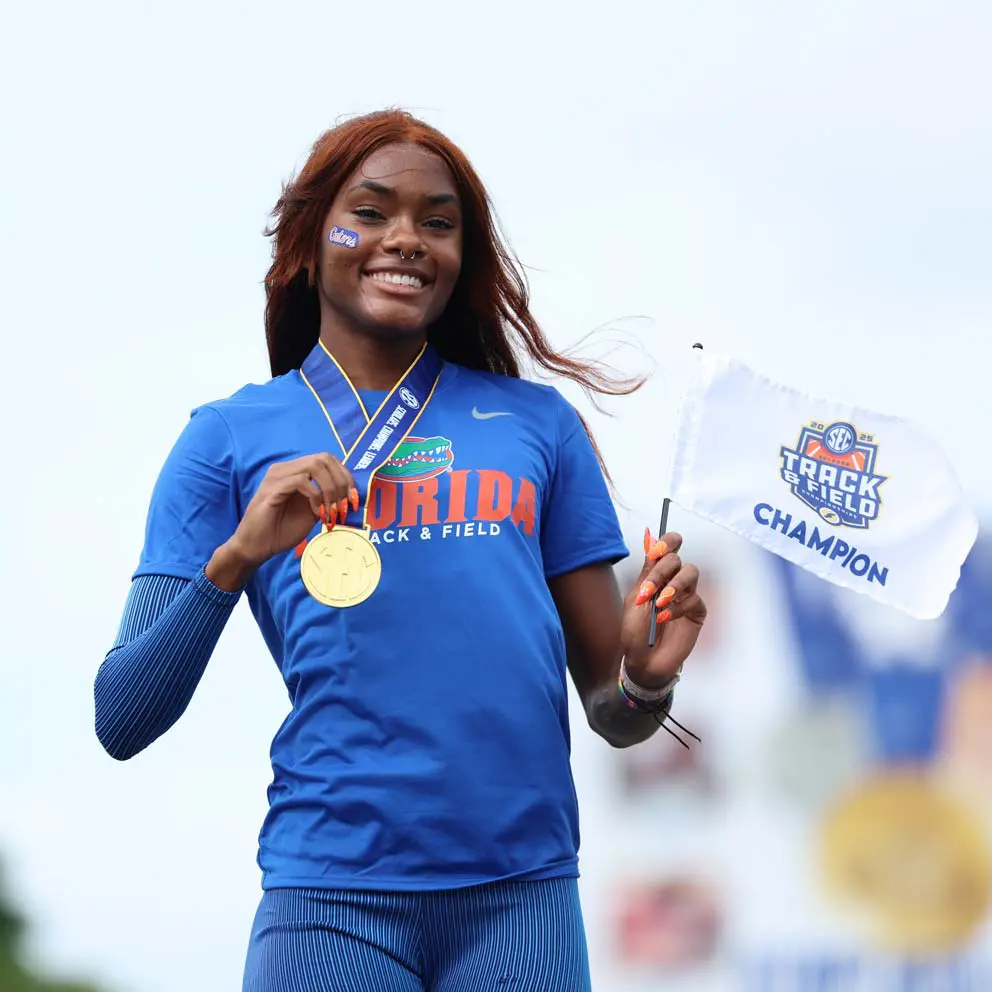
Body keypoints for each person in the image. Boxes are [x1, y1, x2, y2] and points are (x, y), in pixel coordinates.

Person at [94, 109, 708, 992]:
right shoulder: (226, 440)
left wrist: (648, 678)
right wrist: (233, 559)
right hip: (328, 900)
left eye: (439, 222)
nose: (406, 239)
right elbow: (123, 717)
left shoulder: (539, 428)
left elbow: (613, 715)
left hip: (522, 899)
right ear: (311, 241)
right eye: (372, 212)